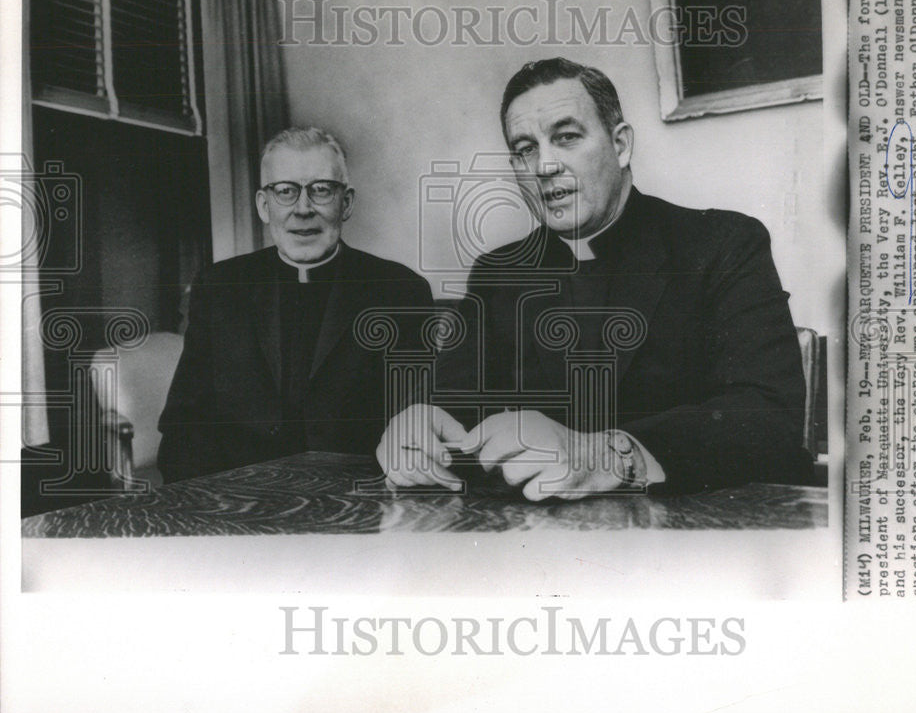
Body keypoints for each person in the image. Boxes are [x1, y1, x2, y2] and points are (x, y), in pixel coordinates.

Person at [377, 58, 813, 500]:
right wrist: (420, 427)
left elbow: (767, 414)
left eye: (566, 137)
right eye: (525, 148)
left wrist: (608, 455)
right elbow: (455, 404)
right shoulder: (498, 272)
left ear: (620, 145)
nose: (544, 165)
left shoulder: (722, 243)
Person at [158, 127, 433, 481]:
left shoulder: (400, 291)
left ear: (346, 203)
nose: (303, 209)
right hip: (243, 502)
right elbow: (185, 426)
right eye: (285, 191)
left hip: (358, 502)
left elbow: (415, 423)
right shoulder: (220, 287)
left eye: (321, 190)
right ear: (263, 205)